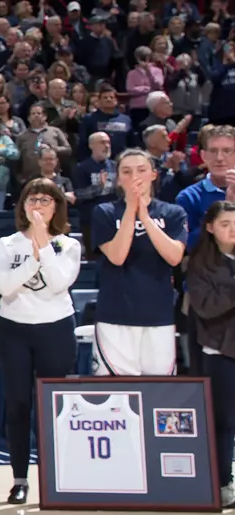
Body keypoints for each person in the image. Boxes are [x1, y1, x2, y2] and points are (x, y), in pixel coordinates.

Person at [0, 182, 83, 504]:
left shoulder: (69, 245)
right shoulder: (7, 243)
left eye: (46, 199)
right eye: (33, 198)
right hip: (14, 329)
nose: (39, 204)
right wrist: (33, 259)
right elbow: (4, 286)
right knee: (18, 406)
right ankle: (19, 479)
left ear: (57, 206)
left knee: (53, 406)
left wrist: (42, 244)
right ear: (23, 205)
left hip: (55, 329)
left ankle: (57, 476)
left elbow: (59, 282)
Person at [91, 149, 188, 375]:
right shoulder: (104, 212)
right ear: (118, 178)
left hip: (159, 316)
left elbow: (174, 256)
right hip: (115, 316)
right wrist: (131, 211)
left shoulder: (173, 213)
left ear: (153, 175)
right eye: (126, 171)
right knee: (117, 396)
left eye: (141, 170)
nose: (134, 176)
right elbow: (117, 256)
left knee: (159, 394)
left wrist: (144, 217)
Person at [184, 201, 235, 509]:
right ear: (211, 227)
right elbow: (207, 307)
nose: (232, 229)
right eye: (226, 223)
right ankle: (223, 482)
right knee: (224, 422)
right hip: (220, 350)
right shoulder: (200, 264)